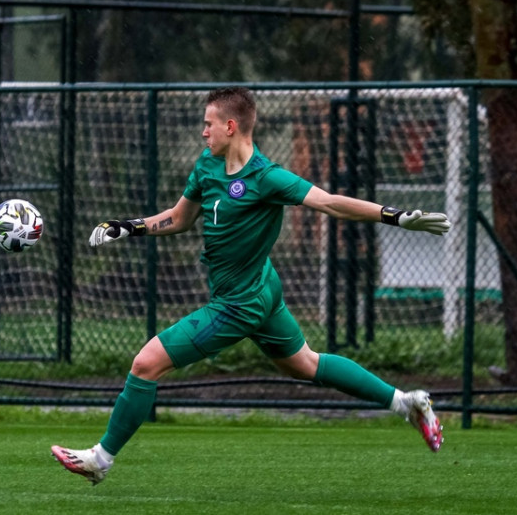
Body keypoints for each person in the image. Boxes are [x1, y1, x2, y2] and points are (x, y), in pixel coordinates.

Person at [51, 86, 450, 486]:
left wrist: (394, 217)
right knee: (305, 364)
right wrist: (128, 227)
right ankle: (406, 402)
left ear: (230, 125)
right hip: (262, 287)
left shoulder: (267, 177)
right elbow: (179, 218)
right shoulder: (207, 169)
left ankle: (100, 459)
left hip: (239, 304)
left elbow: (328, 202)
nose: (203, 133)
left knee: (146, 363)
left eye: (208, 125)